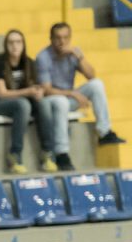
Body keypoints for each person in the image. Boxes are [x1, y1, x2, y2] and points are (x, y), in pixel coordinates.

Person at [36, 22, 126, 171]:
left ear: (70, 38)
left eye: (65, 37)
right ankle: (61, 153)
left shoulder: (74, 53)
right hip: (51, 100)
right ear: (51, 39)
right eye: (58, 38)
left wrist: (80, 57)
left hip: (69, 98)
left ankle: (104, 132)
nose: (62, 42)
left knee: (97, 84)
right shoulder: (43, 57)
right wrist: (72, 93)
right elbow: (46, 90)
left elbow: (91, 75)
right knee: (61, 102)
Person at [0, 29, 57, 174]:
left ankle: (48, 154)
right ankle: (15, 156)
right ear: (5, 45)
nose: (15, 46)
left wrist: (38, 92)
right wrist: (28, 91)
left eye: (18, 42)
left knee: (43, 103)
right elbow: (2, 94)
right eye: (11, 42)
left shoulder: (28, 62)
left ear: (23, 45)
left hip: (16, 104)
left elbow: (34, 87)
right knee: (23, 104)